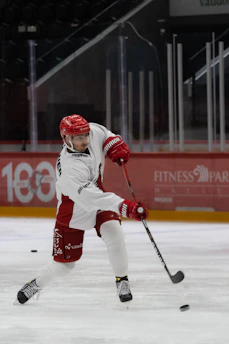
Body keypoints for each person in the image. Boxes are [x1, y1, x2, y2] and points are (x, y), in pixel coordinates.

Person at [16, 114, 148, 305]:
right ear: (66, 139)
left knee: (115, 235)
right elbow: (91, 198)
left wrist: (113, 143)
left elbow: (102, 133)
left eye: (85, 135)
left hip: (99, 200)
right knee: (64, 266)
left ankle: (122, 280)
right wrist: (125, 207)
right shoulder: (70, 168)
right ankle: (35, 284)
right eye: (78, 138)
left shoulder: (90, 133)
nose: (85, 140)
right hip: (73, 212)